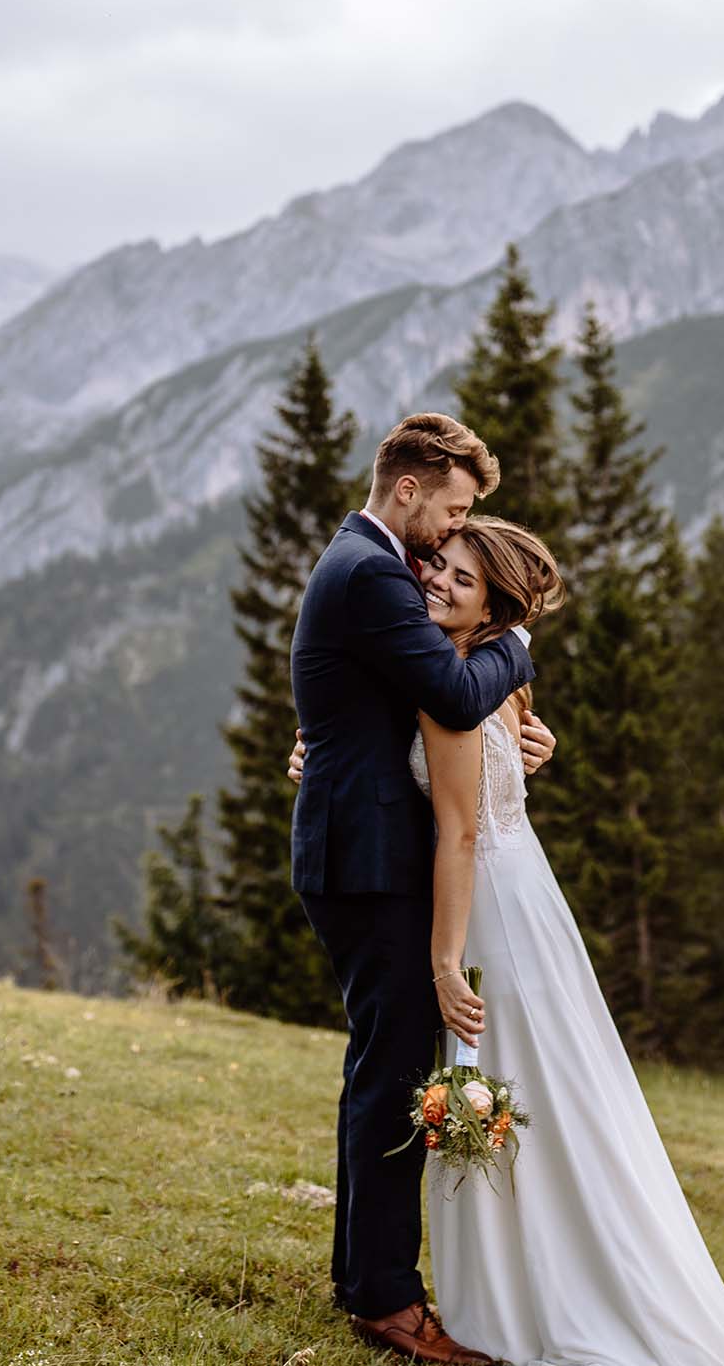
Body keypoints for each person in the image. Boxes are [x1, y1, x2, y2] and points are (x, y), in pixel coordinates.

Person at [292, 514, 724, 1366]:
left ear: (494, 607)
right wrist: (323, 755)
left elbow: (464, 826)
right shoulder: (476, 671)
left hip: (484, 903)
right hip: (517, 899)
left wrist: (445, 960)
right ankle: (528, 1279)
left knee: (507, 1089)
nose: (438, 582)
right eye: (436, 565)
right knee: (541, 1094)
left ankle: (535, 1293)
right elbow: (421, 748)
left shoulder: (467, 678)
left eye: (461, 578)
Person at [290, 413, 555, 1366]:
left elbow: (406, 693)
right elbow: (450, 694)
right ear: (410, 489)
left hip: (361, 848)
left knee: (380, 1066)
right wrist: (518, 646)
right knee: (395, 1072)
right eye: (452, 507)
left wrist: (524, 728)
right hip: (366, 860)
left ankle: (362, 1279)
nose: (452, 529)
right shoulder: (368, 571)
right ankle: (389, 1304)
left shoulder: (370, 563)